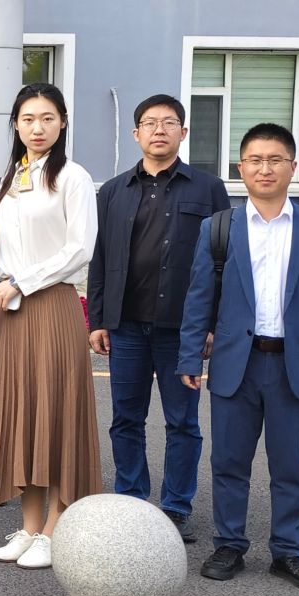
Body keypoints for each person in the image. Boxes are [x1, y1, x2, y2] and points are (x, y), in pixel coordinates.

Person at [177, 123, 299, 594]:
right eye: (255, 160)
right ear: (241, 169)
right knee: (229, 462)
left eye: (275, 160)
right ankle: (229, 544)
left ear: (293, 167)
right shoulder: (219, 229)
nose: (265, 168)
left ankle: (289, 552)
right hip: (237, 363)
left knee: (291, 467)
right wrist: (190, 358)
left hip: (296, 366)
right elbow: (199, 298)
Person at [88, 93, 232, 541]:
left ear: (183, 132)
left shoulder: (208, 189)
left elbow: (223, 260)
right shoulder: (113, 190)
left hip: (182, 328)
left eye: (169, 122)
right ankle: (131, 501)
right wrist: (98, 318)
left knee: (182, 422)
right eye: (150, 123)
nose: (159, 130)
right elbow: (100, 256)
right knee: (125, 419)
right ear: (136, 134)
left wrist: (212, 324)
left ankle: (175, 507)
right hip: (127, 325)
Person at [0, 83, 100, 570]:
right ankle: (30, 528)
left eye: (47, 118)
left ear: (63, 122)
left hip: (51, 305)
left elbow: (79, 248)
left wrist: (21, 283)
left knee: (56, 415)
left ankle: (55, 528)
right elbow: (18, 245)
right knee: (23, 417)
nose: (37, 127)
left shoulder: (73, 176)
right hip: (12, 309)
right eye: (28, 119)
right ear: (16, 124)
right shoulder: (15, 176)